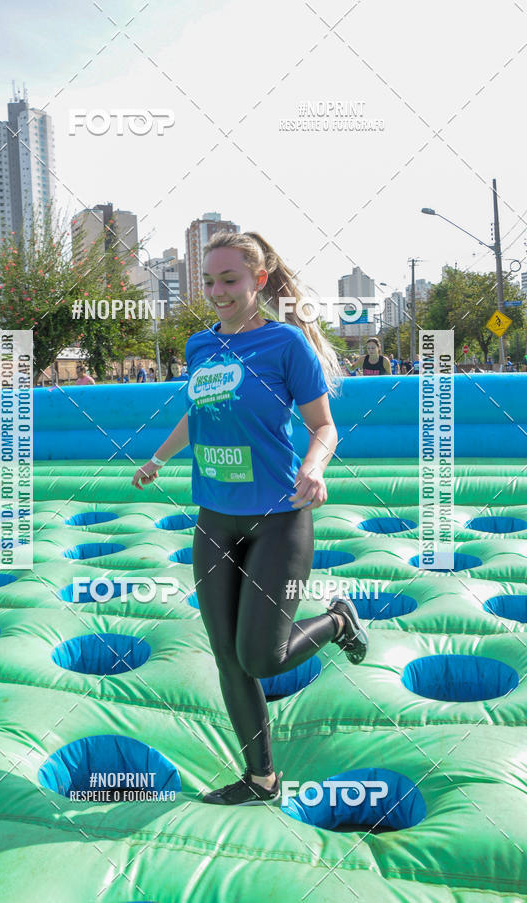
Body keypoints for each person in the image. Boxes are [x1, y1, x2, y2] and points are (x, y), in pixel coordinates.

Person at [131, 230, 368, 806]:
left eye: (229, 280)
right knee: (227, 657)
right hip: (215, 520)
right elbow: (198, 413)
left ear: (259, 281)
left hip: (279, 521)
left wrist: (314, 466)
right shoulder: (199, 346)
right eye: (209, 281)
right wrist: (159, 458)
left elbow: (323, 426)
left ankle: (337, 622)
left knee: (261, 656)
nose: (217, 291)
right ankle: (261, 779)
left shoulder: (285, 344)